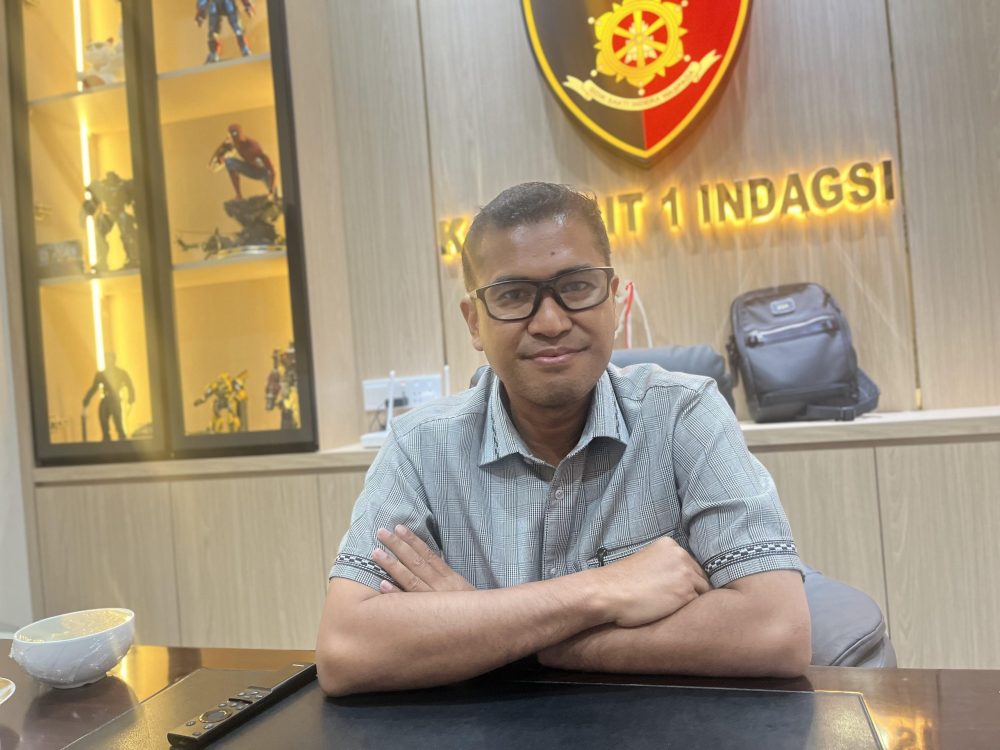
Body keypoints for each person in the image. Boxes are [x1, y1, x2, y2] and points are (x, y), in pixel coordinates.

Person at [316, 182, 810, 696]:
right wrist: (602, 590)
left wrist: (490, 632)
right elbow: (347, 650)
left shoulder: (683, 414)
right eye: (513, 296)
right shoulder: (419, 446)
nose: (550, 323)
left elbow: (776, 631)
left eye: (576, 287)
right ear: (475, 322)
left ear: (613, 300)